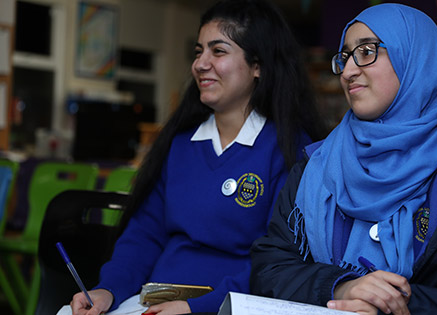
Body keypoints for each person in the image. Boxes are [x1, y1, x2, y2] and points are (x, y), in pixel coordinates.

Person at [250, 3, 437, 315]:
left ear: (415, 59)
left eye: (366, 51)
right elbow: (270, 268)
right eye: (345, 56)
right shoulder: (316, 163)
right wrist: (340, 286)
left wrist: (396, 303)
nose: (349, 71)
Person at [69, 0, 325, 314]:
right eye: (198, 51)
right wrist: (108, 289)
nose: (200, 64)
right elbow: (144, 235)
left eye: (218, 51)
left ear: (258, 65)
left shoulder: (288, 148)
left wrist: (197, 308)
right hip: (156, 302)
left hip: (233, 306)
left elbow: (276, 262)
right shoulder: (180, 143)